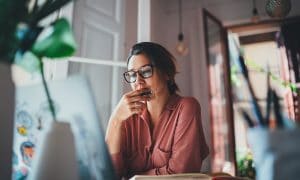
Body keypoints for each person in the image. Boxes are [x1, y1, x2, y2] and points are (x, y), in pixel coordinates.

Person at [105, 42, 209, 179]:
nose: (138, 81)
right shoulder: (126, 118)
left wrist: (132, 177)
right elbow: (110, 174)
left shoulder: (186, 108)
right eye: (132, 75)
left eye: (146, 71)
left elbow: (180, 174)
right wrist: (115, 119)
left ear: (166, 73)